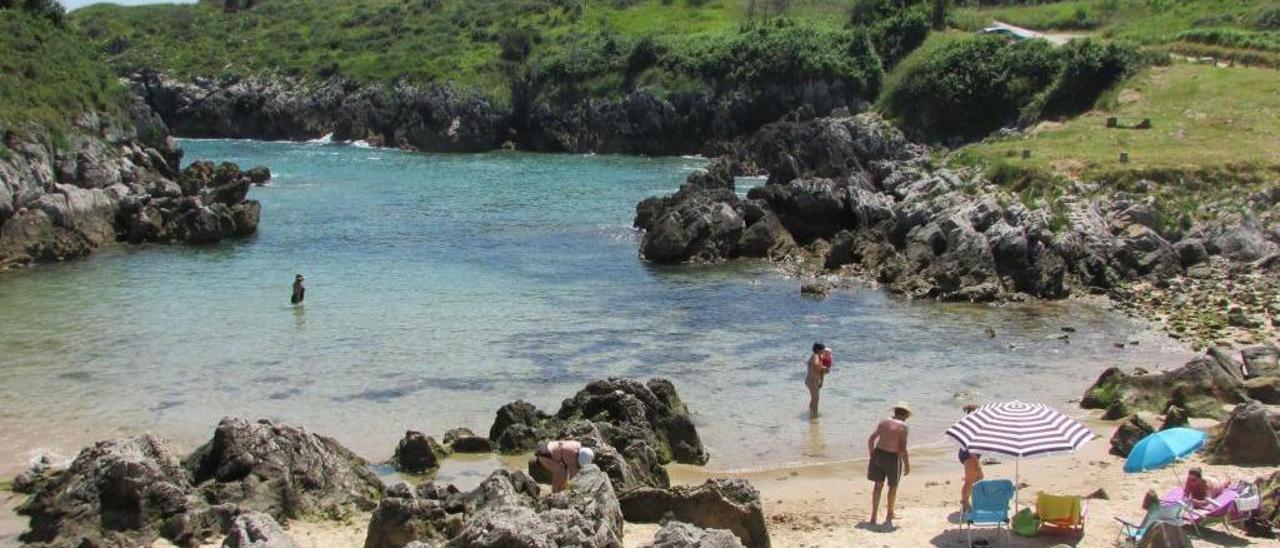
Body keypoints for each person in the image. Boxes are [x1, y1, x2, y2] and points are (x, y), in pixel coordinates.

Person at [867, 403, 911, 525]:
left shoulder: (884, 421)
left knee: (878, 486)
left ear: (895, 412)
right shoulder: (904, 427)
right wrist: (907, 464)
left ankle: (873, 516)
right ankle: (890, 513)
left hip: (878, 454)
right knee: (893, 486)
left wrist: (872, 456)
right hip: (892, 458)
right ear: (906, 415)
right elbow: (902, 448)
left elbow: (871, 439)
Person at [959, 404, 984, 514]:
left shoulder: (968, 423)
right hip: (970, 454)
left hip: (967, 453)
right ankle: (965, 503)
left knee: (976, 478)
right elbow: (971, 447)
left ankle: (965, 501)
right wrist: (977, 464)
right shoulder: (973, 425)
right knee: (971, 480)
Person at [805, 342, 831, 418]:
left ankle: (811, 413)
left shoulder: (819, 356)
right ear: (817, 350)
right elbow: (816, 365)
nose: (823, 351)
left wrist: (821, 380)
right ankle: (814, 416)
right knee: (816, 399)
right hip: (812, 381)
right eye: (822, 350)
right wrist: (823, 368)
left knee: (814, 398)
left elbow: (819, 370)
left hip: (814, 381)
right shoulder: (815, 356)